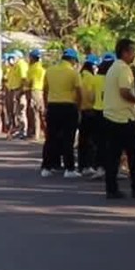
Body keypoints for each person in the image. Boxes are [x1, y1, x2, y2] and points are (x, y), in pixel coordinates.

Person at [102, 38, 135, 200]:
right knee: (134, 154)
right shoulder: (124, 69)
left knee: (113, 155)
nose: (134, 55)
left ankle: (111, 189)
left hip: (110, 116)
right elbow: (124, 92)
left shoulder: (113, 68)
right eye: (132, 52)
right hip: (122, 118)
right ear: (125, 52)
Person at [41, 48, 85, 177]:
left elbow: (45, 90)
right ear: (72, 60)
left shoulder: (50, 70)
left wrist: (46, 105)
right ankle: (69, 169)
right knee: (68, 139)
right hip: (68, 107)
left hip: (53, 106)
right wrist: (79, 107)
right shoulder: (73, 73)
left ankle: (46, 167)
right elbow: (79, 92)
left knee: (51, 138)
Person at [76, 54, 102, 179]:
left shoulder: (79, 75)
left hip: (81, 110)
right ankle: (89, 165)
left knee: (82, 140)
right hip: (91, 111)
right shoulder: (91, 78)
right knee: (91, 141)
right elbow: (92, 96)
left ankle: (81, 165)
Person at [25, 47, 48, 141]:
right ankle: (46, 134)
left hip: (34, 92)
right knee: (43, 114)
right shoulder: (43, 69)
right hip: (43, 92)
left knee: (35, 114)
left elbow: (28, 83)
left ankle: (37, 135)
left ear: (33, 58)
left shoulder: (32, 69)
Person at [10, 51, 31, 139]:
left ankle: (24, 130)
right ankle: (20, 129)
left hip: (20, 90)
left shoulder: (21, 65)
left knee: (22, 111)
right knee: (17, 111)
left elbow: (23, 79)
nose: (12, 59)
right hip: (15, 90)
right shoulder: (16, 65)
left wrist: (20, 91)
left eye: (14, 57)